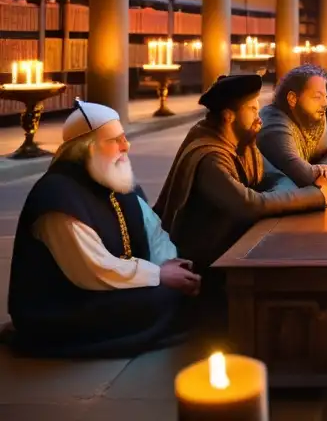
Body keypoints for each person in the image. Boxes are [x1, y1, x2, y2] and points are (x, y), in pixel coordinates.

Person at [7, 100, 198, 358]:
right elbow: (92, 269)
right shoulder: (57, 197)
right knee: (161, 298)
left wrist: (171, 263)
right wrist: (159, 275)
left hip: (106, 287)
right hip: (64, 304)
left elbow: (153, 232)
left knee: (176, 291)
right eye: (115, 140)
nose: (126, 146)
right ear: (86, 149)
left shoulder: (114, 179)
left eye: (124, 137)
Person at [155, 74, 327, 273]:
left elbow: (279, 179)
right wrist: (321, 196)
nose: (259, 118)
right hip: (207, 263)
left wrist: (269, 199)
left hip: (237, 245)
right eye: (252, 109)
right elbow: (249, 204)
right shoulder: (210, 157)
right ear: (228, 116)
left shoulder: (243, 142)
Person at [257, 64, 327, 187]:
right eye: (317, 97)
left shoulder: (312, 119)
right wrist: (320, 171)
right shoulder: (274, 124)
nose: (326, 103)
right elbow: (300, 173)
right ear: (292, 98)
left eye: (326, 97)